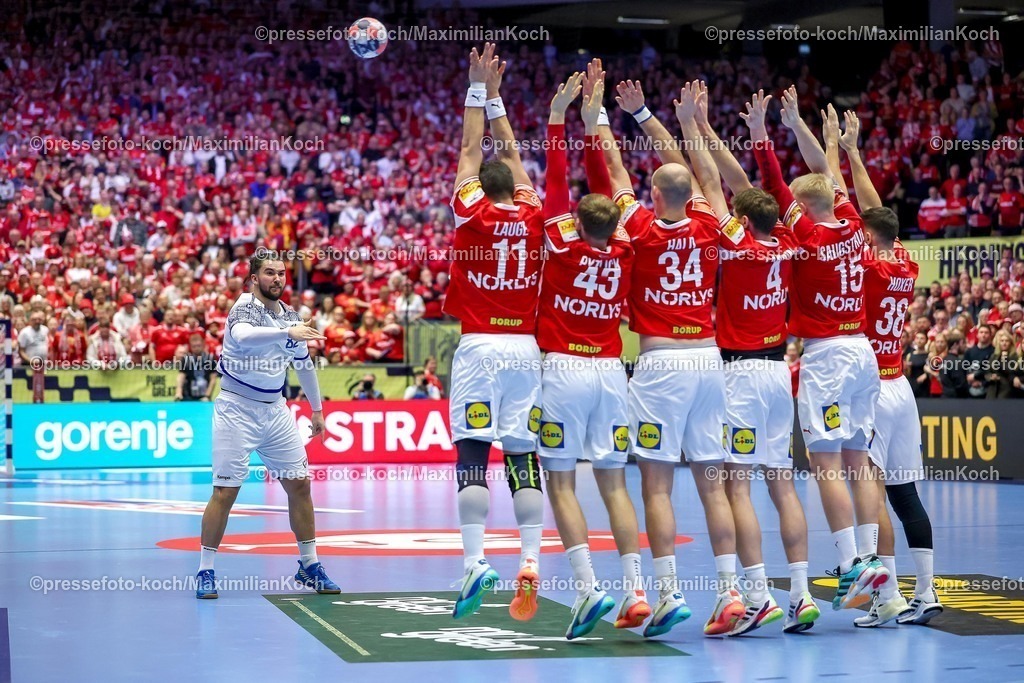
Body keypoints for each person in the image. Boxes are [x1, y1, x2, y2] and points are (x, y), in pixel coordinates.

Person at [598, 78, 754, 637]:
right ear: (688, 197)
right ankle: (731, 594)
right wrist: (673, 118)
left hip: (662, 363)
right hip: (710, 361)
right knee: (713, 483)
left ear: (654, 195)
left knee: (657, 486)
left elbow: (616, 171)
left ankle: (664, 594)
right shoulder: (713, 223)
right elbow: (704, 173)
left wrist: (606, 113)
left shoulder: (637, 227)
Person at [747, 87, 888, 613]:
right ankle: (871, 559)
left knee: (826, 464)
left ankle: (853, 563)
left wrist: (766, 132)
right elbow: (823, 177)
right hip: (864, 353)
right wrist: (799, 125)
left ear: (803, 209)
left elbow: (774, 180)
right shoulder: (852, 223)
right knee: (860, 463)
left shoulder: (807, 232)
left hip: (828, 357)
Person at [695, 81, 819, 635]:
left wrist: (696, 125)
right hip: (778, 372)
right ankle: (801, 592)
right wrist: (758, 137)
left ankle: (755, 592)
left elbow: (713, 186)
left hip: (740, 375)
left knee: (734, 487)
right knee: (784, 484)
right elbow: (748, 188)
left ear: (743, 221)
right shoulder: (789, 239)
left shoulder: (735, 244)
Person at [536, 66, 649, 640]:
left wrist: (559, 119)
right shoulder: (626, 247)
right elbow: (598, 188)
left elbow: (559, 184)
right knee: (613, 484)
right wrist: (594, 123)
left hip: (565, 368)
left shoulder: (559, 241)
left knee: (559, 482)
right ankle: (637, 591)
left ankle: (586, 590)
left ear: (578, 220)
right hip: (612, 371)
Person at [446, 44, 546, 622]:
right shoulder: (533, 212)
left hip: (481, 344)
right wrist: (500, 98)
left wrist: (475, 90)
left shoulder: (472, 210)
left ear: (481, 189)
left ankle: (475, 561)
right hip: (525, 348)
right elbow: (508, 154)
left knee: (473, 454)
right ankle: (530, 560)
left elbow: (469, 148)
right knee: (523, 455)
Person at [836, 113, 941, 626]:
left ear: (865, 237)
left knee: (871, 491)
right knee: (905, 493)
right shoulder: (904, 263)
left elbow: (859, 213)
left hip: (872, 388)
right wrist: (854, 152)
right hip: (900, 385)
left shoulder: (870, 265)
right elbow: (876, 212)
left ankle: (887, 596)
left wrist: (840, 162)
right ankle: (926, 592)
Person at [195, 253, 337, 600]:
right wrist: (287, 331)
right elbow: (243, 337)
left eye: (281, 273)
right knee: (225, 492)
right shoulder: (243, 308)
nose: (277, 278)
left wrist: (317, 410)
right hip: (236, 409)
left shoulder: (289, 315)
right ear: (254, 278)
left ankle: (309, 564)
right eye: (269, 273)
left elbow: (303, 365)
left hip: (275, 411)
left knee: (300, 485)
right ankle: (205, 569)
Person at [177, 332, 218, 401]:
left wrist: (207, 396)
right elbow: (181, 376)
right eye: (194, 346)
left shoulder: (211, 358)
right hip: (189, 396)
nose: (196, 348)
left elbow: (213, 379)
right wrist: (178, 392)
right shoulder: (186, 359)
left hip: (204, 396)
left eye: (198, 346)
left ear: (203, 345)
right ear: (190, 346)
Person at [18, 311, 48, 403]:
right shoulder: (24, 332)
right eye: (34, 319)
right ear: (30, 321)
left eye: (39, 319)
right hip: (29, 365)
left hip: (44, 364)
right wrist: (31, 361)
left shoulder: (45, 330)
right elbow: (21, 351)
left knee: (44, 387)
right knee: (32, 388)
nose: (37, 321)